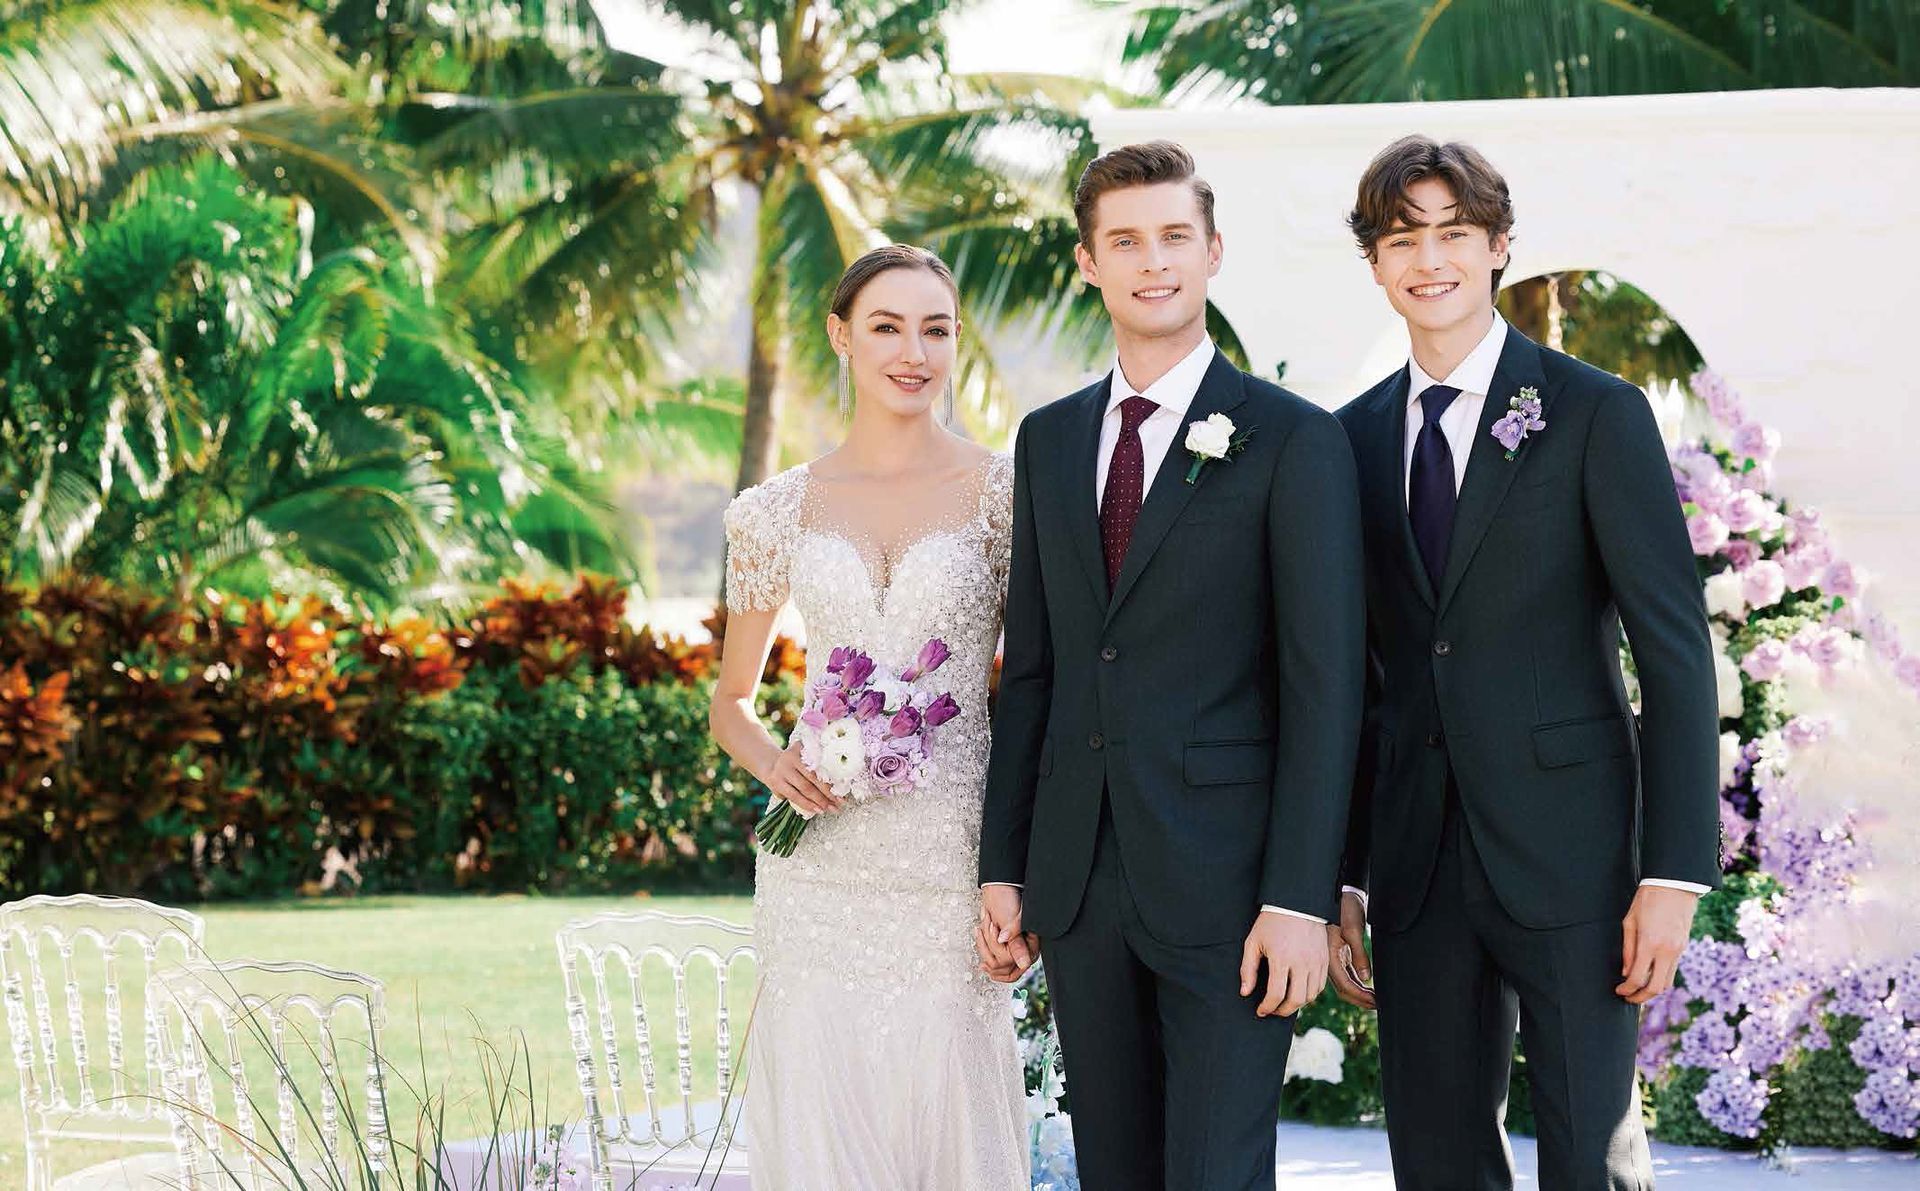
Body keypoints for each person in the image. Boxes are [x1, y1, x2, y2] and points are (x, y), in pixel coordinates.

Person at [1327, 134, 1722, 1189]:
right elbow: (1356, 680)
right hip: (1416, 866)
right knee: (1437, 1158)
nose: (1430, 259)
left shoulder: (1594, 412)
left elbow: (1675, 651)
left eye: (1454, 232)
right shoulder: (1347, 441)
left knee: (1592, 1152)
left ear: (1500, 246)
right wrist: (1346, 873)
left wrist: (1672, 872)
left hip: (1576, 858)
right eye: (1402, 238)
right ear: (1375, 263)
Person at [977, 140, 1366, 1191]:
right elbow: (1035, 670)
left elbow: (1326, 687)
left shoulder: (1294, 439)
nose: (1153, 261)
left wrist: (1300, 896)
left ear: (1212, 251)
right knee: (1114, 1170)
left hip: (1232, 890)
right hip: (1080, 883)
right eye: (1126, 241)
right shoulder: (1048, 440)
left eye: (1174, 237)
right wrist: (1005, 866)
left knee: (1216, 1171)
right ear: (1087, 262)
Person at [710, 244, 1027, 1189]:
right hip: (817, 873)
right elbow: (730, 703)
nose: (913, 352)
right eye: (887, 327)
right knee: (823, 1115)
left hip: (954, 866)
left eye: (936, 329)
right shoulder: (775, 510)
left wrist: (1019, 871)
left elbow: (1043, 692)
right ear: (842, 336)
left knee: (950, 1109)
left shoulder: (1007, 496)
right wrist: (775, 763)